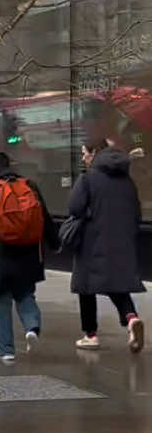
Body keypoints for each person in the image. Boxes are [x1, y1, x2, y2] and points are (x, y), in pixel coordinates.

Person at [66, 140, 145, 352]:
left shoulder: (88, 179)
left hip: (92, 240)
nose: (83, 158)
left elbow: (74, 207)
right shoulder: (126, 180)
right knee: (116, 284)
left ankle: (90, 335)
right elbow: (136, 212)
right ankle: (131, 319)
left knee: (86, 286)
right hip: (121, 241)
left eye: (84, 153)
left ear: (94, 153)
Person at [0, 151, 57, 362]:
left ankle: (5, 350)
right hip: (29, 253)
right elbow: (44, 216)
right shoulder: (30, 185)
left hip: (2, 254)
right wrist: (55, 242)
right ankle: (31, 328)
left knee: (1, 299)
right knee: (25, 293)